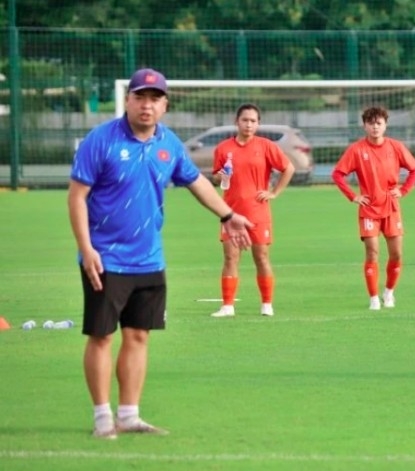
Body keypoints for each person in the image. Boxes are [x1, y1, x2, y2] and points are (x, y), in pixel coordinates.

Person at [68, 68, 255, 439]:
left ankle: (129, 415)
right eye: (140, 97)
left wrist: (228, 215)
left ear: (165, 105)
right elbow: (76, 196)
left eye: (155, 99)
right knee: (102, 336)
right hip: (105, 258)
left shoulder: (168, 143)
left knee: (139, 335)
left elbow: (196, 181)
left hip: (149, 259)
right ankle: (103, 417)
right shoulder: (100, 140)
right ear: (128, 100)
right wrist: (86, 249)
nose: (147, 105)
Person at [209, 103, 295, 318]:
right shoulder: (223, 148)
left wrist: (274, 192)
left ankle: (267, 304)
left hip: (258, 212)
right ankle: (227, 306)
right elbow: (216, 177)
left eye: (253, 121)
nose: (249, 124)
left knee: (262, 257)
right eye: (245, 120)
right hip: (230, 212)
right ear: (236, 122)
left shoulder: (266, 146)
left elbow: (288, 168)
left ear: (258, 124)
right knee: (230, 258)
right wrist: (221, 176)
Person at [332, 106, 415, 310]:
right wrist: (353, 196)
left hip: (391, 207)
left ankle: (389, 292)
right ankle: (373, 297)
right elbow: (338, 174)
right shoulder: (356, 150)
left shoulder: (396, 147)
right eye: (371, 123)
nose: (375, 127)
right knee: (372, 252)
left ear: (385, 125)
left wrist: (404, 190)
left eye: (379, 123)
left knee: (396, 254)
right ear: (364, 126)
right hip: (369, 209)